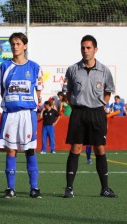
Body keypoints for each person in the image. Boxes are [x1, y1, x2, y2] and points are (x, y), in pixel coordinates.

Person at [63, 35, 116, 198]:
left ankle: (105, 188)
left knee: (100, 148)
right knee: (76, 148)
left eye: (88, 47)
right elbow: (67, 92)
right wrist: (75, 106)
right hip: (78, 112)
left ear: (95, 49)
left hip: (97, 113)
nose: (85, 51)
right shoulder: (73, 69)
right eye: (83, 48)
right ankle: (69, 188)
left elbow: (109, 91)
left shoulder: (104, 70)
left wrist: (102, 105)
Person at [0, 32, 43, 199]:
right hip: (10, 114)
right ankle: (10, 188)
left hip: (27, 114)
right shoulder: (4, 66)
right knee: (11, 150)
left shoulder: (34, 67)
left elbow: (38, 91)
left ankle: (34, 188)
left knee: (30, 150)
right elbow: (3, 90)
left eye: (18, 43)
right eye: (13, 44)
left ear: (25, 46)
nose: (15, 47)